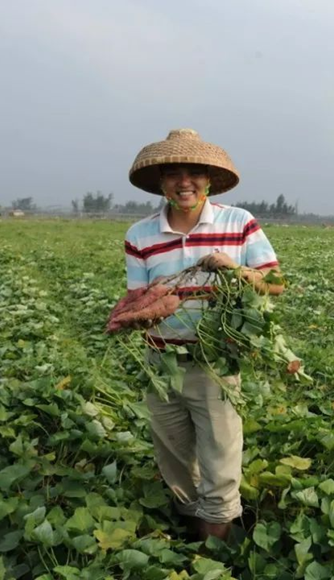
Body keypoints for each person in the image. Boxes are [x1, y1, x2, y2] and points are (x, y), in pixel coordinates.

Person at [121, 129, 285, 540]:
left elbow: (275, 283)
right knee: (175, 462)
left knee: (220, 463)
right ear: (160, 182)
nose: (184, 181)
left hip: (215, 362)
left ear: (209, 179)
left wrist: (233, 269)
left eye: (194, 172)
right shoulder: (139, 235)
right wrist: (144, 309)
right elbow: (135, 300)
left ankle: (216, 555)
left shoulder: (239, 222)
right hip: (160, 363)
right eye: (173, 173)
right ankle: (194, 537)